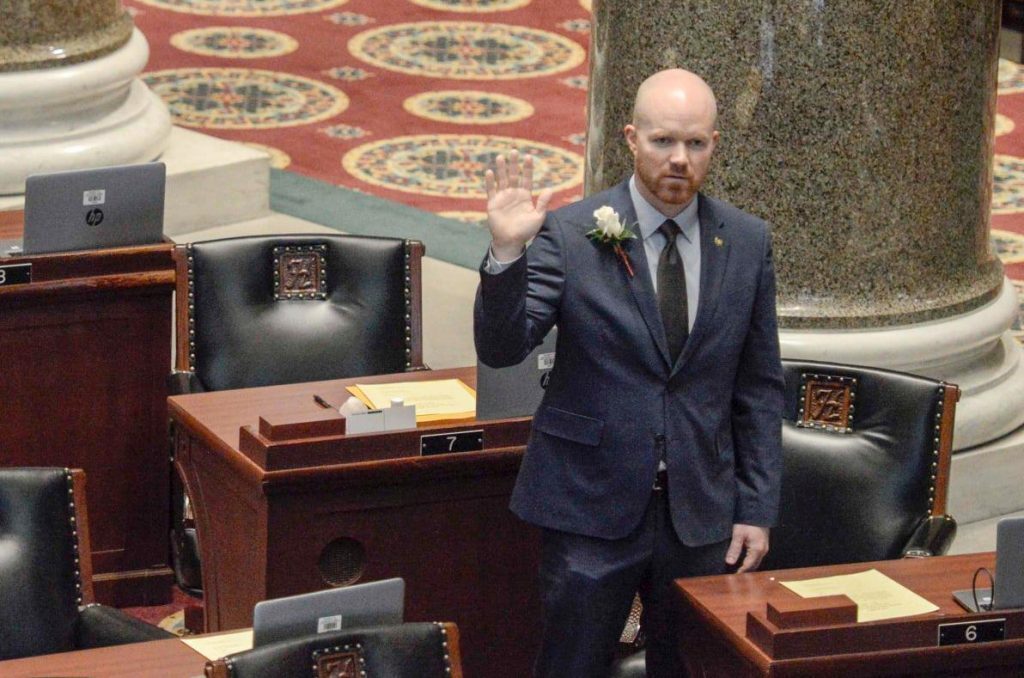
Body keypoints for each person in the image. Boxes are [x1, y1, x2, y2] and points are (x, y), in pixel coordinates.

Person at [473, 68, 785, 677]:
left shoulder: (747, 242)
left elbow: (759, 387)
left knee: (692, 667)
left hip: (700, 512)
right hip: (589, 504)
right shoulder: (569, 231)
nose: (678, 159)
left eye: (695, 144)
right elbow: (502, 345)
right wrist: (508, 253)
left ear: (714, 145)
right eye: (663, 141)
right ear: (631, 139)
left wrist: (757, 505)